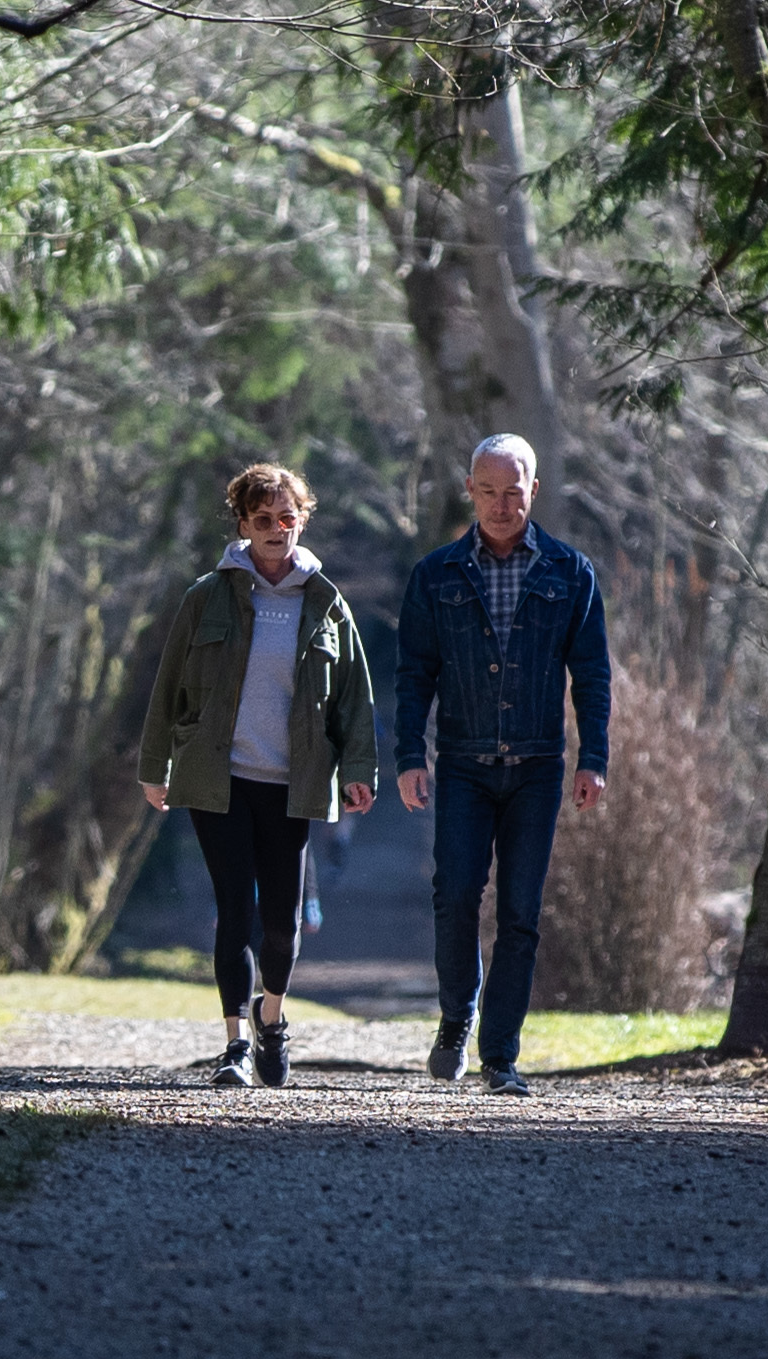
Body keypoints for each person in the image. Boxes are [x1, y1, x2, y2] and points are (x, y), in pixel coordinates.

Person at [137, 463, 380, 1087]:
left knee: (281, 920)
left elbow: (354, 697)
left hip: (292, 784)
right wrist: (154, 766)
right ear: (243, 524)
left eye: (287, 518)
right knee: (234, 909)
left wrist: (358, 770)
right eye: (263, 519)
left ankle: (270, 1017)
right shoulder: (207, 596)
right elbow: (167, 688)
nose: (277, 530)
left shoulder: (325, 602)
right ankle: (235, 1045)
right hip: (220, 780)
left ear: (302, 521)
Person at [391, 434, 611, 1092]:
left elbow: (592, 674)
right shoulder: (435, 574)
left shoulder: (570, 573)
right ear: (469, 491)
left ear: (533, 491)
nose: (499, 503)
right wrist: (409, 755)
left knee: (520, 911)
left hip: (539, 766)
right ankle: (456, 1016)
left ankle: (501, 1056)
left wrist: (592, 757)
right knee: (455, 895)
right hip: (461, 762)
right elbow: (412, 674)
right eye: (486, 490)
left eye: (512, 491)